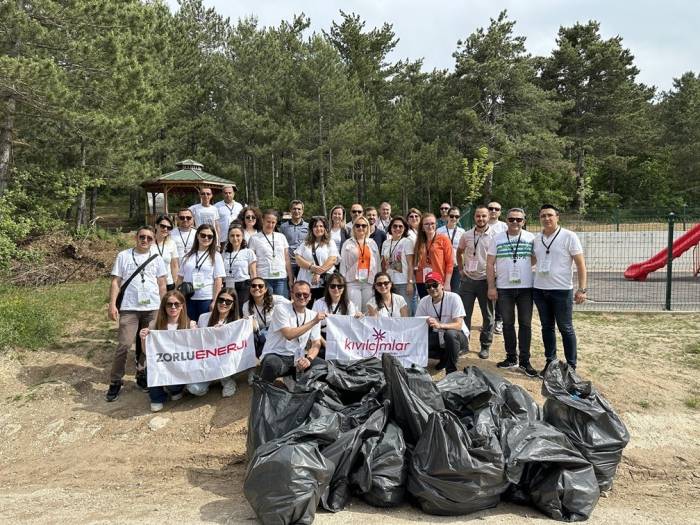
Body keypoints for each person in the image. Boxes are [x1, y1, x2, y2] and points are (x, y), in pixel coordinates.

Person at [106, 226, 167, 402]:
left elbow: (162, 283)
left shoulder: (157, 258)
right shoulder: (123, 256)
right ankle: (115, 381)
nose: (145, 240)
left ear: (153, 240)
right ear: (136, 237)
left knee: (146, 344)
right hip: (130, 307)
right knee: (124, 345)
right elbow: (116, 282)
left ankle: (142, 373)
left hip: (152, 307)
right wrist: (112, 304)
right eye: (142, 237)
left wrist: (163, 306)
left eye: (149, 238)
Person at [532, 204, 588, 374]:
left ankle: (571, 367)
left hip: (562, 290)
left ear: (557, 217)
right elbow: (532, 261)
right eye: (543, 216)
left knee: (566, 328)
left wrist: (582, 289)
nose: (546, 218)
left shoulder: (569, 236)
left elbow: (580, 264)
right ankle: (551, 362)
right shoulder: (536, 239)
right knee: (546, 327)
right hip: (540, 290)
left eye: (550, 215)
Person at [486, 208, 538, 377]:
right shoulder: (497, 238)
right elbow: (489, 264)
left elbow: (535, 258)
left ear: (524, 221)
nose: (515, 222)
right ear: (506, 220)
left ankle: (524, 361)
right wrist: (491, 286)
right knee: (507, 324)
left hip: (526, 288)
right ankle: (511, 357)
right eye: (511, 219)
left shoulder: (531, 238)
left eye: (519, 220)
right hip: (504, 288)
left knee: (525, 324)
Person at [139, 291, 196, 412]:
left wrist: (195, 333)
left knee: (174, 387)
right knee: (150, 367)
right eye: (169, 304)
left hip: (180, 366)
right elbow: (146, 352)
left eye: (177, 304)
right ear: (164, 306)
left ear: (182, 306)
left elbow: (196, 351)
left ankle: (176, 389)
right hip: (161, 364)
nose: (173, 307)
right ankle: (157, 397)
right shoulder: (154, 324)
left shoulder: (189, 324)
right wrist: (143, 339)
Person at [259, 281, 325, 383]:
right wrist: (314, 322)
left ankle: (300, 388)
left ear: (310, 296)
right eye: (298, 294)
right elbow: (289, 335)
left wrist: (309, 359)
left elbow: (316, 342)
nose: (302, 297)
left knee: (323, 367)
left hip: (298, 358)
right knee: (271, 363)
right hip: (277, 355)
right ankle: (264, 389)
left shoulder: (313, 314)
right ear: (292, 295)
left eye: (305, 294)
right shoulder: (281, 309)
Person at [186, 288, 241, 398]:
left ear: (233, 305)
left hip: (227, 362)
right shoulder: (203, 317)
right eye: (221, 300)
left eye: (228, 301)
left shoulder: (236, 322)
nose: (223, 303)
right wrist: (193, 330)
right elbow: (198, 343)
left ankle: (227, 381)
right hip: (207, 363)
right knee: (194, 388)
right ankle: (212, 379)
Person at [457, 205, 495, 359]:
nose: (481, 219)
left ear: (489, 217)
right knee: (464, 314)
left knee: (488, 316)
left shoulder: (496, 235)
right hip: (468, 280)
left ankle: (485, 346)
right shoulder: (466, 235)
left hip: (486, 280)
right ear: (474, 217)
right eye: (478, 216)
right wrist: (461, 269)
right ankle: (464, 345)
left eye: (484, 216)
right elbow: (459, 252)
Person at [415, 272, 469, 374]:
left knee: (450, 334)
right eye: (428, 286)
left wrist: (440, 325)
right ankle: (444, 358)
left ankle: (451, 371)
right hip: (438, 336)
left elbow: (458, 325)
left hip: (458, 336)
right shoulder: (424, 302)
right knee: (418, 341)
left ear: (442, 284)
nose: (431, 288)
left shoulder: (454, 298)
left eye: (435, 285)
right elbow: (417, 326)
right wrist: (424, 323)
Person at [177, 224, 226, 323]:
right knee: (189, 328)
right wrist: (176, 297)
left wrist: (215, 301)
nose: (206, 238)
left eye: (210, 236)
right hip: (187, 298)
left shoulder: (216, 256)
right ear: (197, 235)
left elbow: (218, 280)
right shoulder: (187, 256)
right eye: (203, 235)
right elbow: (180, 278)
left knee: (205, 329)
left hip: (206, 298)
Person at [242, 277, 291, 359]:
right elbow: (248, 327)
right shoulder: (246, 306)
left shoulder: (276, 300)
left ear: (265, 289)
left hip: (277, 333)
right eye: (253, 286)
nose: (257, 288)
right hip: (260, 335)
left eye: (260, 286)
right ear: (250, 289)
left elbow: (292, 305)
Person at [248, 209, 293, 297]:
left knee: (281, 305)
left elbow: (287, 259)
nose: (270, 225)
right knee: (266, 306)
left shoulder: (281, 237)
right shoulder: (254, 238)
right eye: (268, 221)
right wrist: (255, 280)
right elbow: (252, 262)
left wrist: (290, 278)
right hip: (263, 278)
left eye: (273, 222)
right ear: (262, 221)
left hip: (280, 278)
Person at [340, 215, 380, 313]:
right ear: (353, 228)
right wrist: (342, 282)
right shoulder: (347, 243)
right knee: (354, 312)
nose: (361, 228)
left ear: (367, 228)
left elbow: (377, 263)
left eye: (364, 225)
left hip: (369, 282)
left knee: (367, 312)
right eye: (357, 225)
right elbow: (343, 264)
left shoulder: (372, 243)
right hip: (352, 282)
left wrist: (378, 281)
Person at [294, 216, 339, 301]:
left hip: (323, 283)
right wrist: (311, 267)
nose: (318, 228)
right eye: (315, 226)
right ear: (311, 229)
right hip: (306, 282)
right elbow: (297, 258)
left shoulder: (330, 242)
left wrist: (318, 273)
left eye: (321, 226)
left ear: (325, 228)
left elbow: (332, 259)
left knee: (322, 307)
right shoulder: (305, 243)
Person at [414, 213, 453, 297]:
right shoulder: (419, 241)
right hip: (422, 280)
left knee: (440, 308)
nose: (430, 226)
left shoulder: (444, 239)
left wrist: (447, 282)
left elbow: (450, 263)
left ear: (436, 225)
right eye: (426, 224)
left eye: (432, 223)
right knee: (426, 307)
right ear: (422, 227)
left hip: (438, 280)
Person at [381, 216, 415, 309]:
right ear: (390, 228)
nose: (397, 229)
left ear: (404, 229)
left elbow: (410, 264)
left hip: (403, 283)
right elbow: (384, 264)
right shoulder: (386, 243)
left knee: (405, 311)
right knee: (392, 310)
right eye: (395, 226)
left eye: (401, 226)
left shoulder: (407, 242)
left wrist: (410, 282)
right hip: (390, 283)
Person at [223, 224, 257, 314]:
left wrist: (254, 288)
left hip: (243, 285)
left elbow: (253, 273)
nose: (235, 238)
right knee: (229, 310)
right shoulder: (224, 253)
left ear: (242, 237)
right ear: (229, 237)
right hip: (228, 285)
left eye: (238, 235)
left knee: (242, 310)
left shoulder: (248, 252)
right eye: (232, 235)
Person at [487, 201, 507, 334]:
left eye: (496, 209)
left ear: (500, 212)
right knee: (487, 295)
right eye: (491, 208)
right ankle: (487, 321)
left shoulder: (504, 226)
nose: (493, 211)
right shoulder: (482, 224)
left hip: (500, 265)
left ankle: (499, 320)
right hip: (486, 264)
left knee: (499, 295)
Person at [437, 206, 465, 293]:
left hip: (456, 266)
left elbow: (464, 250)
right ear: (447, 216)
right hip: (442, 266)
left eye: (456, 216)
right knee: (442, 291)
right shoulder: (439, 231)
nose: (454, 218)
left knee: (455, 292)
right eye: (452, 216)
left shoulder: (462, 232)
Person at [280, 200, 309, 278]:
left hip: (304, 262)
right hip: (289, 263)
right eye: (294, 209)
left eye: (299, 209)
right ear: (290, 210)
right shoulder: (283, 227)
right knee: (290, 286)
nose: (296, 211)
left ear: (302, 211)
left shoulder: (308, 227)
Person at [152, 214, 179, 291]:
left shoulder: (171, 243)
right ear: (156, 226)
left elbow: (174, 266)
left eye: (169, 227)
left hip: (168, 283)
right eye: (163, 226)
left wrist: (176, 284)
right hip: (152, 283)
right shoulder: (148, 243)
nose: (165, 229)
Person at [215, 184, 243, 249]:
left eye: (230, 193)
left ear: (233, 194)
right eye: (226, 193)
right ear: (222, 194)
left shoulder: (239, 206)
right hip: (223, 240)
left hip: (237, 239)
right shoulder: (216, 207)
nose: (228, 195)